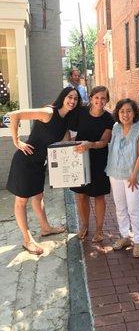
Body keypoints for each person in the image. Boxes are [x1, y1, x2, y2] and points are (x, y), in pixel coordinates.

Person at [6, 87, 81, 255]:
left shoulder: (65, 122)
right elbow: (14, 115)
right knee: (21, 202)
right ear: (63, 97)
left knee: (38, 197)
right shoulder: (48, 112)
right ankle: (27, 240)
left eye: (76, 99)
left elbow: (66, 144)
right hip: (25, 161)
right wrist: (17, 141)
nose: (72, 101)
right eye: (70, 97)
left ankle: (45, 228)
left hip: (39, 163)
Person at [105, 99, 139, 258]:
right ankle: (125, 235)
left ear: (134, 113)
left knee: (133, 209)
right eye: (122, 111)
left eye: (129, 110)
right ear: (118, 113)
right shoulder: (116, 127)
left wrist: (134, 174)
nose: (125, 114)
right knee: (120, 207)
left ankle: (137, 241)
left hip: (133, 176)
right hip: (115, 173)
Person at [70, 86, 114, 243]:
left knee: (98, 195)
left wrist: (90, 145)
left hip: (98, 158)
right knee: (81, 195)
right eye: (97, 97)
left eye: (103, 98)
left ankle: (100, 229)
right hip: (79, 158)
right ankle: (85, 225)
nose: (99, 101)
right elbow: (69, 128)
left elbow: (104, 142)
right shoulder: (81, 112)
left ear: (107, 100)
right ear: (91, 98)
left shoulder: (109, 118)